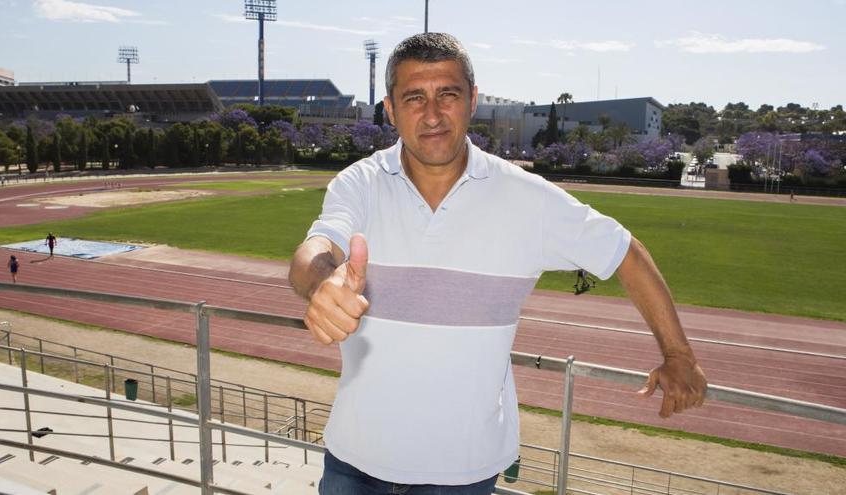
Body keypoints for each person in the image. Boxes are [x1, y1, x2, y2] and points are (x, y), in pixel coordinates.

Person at [289, 33, 707, 495]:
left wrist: (679, 355)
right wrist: (321, 284)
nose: (432, 114)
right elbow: (314, 250)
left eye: (447, 94)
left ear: (472, 100)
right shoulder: (360, 183)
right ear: (389, 109)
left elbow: (626, 252)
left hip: (462, 473)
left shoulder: (526, 198)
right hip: (354, 461)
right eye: (414, 97)